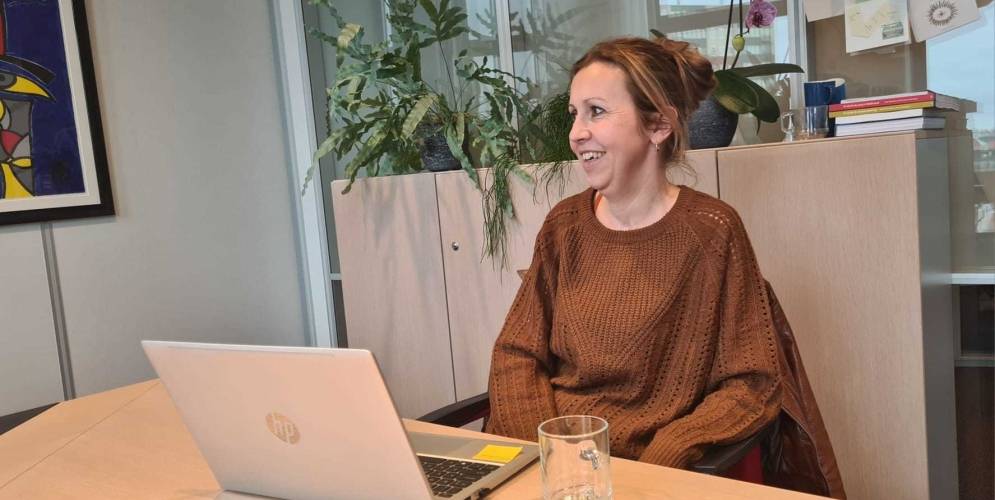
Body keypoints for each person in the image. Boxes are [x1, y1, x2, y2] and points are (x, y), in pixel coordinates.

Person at [483, 36, 783, 470]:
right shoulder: (564, 225)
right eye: (574, 113)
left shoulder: (712, 231)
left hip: (645, 472)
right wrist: (551, 452)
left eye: (596, 111)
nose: (575, 133)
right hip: (550, 465)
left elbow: (753, 383)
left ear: (658, 125)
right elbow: (516, 353)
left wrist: (671, 453)